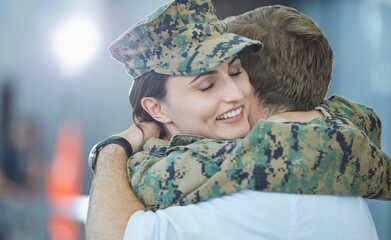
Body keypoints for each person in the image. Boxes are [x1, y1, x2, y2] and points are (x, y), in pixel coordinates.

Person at [86, 1, 389, 239]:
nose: (235, 93)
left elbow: (116, 233)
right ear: (157, 109)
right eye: (206, 85)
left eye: (235, 71)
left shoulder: (259, 187)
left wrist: (115, 147)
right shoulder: (323, 138)